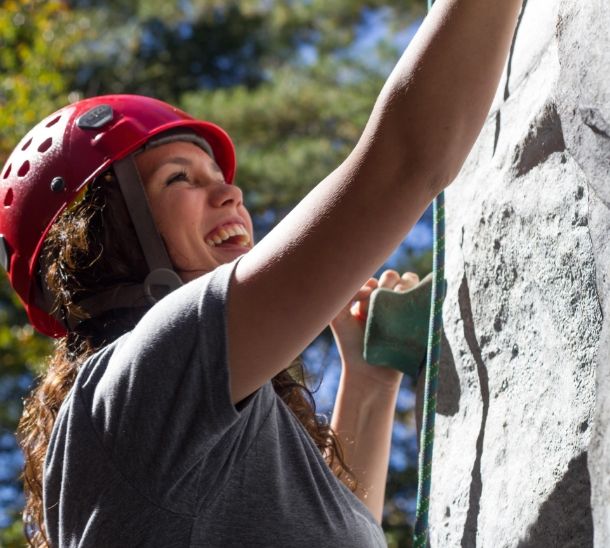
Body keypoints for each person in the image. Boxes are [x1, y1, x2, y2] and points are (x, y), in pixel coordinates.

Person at [0, 0, 523, 546]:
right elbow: (402, 162)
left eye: (219, 175)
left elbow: (327, 524)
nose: (231, 192)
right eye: (180, 179)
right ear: (105, 237)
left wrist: (367, 383)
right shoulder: (137, 383)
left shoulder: (169, 429)